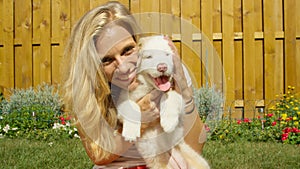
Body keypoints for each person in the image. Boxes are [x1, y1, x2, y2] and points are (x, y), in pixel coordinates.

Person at [62, 1, 206, 168]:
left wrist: (183, 88)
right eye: (107, 60)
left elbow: (195, 147)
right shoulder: (89, 90)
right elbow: (99, 155)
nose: (123, 65)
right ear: (92, 66)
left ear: (139, 43)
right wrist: (141, 120)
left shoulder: (164, 74)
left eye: (127, 50)